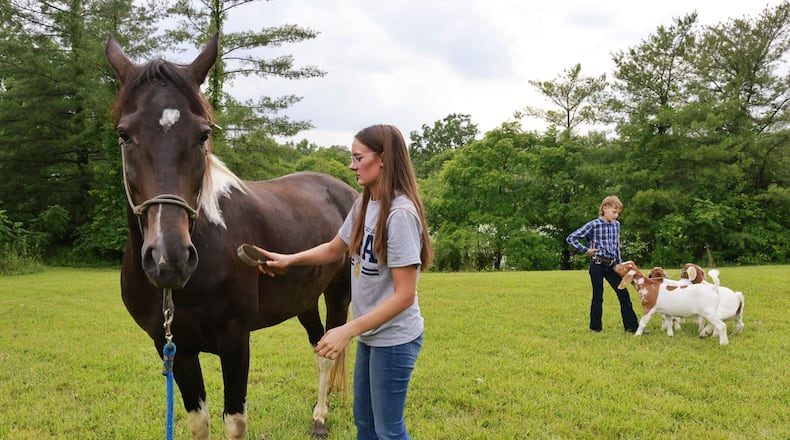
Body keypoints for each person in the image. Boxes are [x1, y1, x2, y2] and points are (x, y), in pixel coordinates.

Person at [252, 124, 433, 440]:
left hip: (395, 340)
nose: (351, 165)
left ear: (383, 160)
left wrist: (347, 330)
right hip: (372, 336)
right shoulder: (367, 203)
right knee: (364, 424)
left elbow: (405, 295)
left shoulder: (400, 215)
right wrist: (288, 259)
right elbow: (335, 247)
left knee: (388, 431)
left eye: (358, 157)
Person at [566, 195, 639, 333]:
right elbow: (571, 238)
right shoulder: (593, 225)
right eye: (614, 212)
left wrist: (620, 264)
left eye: (618, 213)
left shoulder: (616, 225)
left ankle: (632, 328)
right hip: (597, 264)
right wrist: (586, 250)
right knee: (598, 296)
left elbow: (616, 246)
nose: (616, 215)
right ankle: (595, 328)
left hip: (612, 265)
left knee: (624, 294)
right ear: (605, 208)